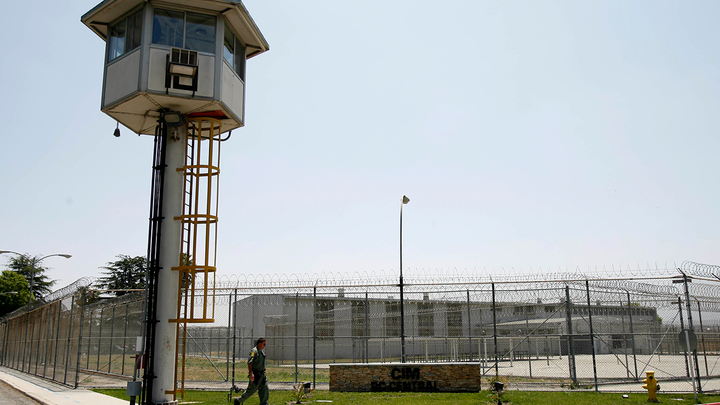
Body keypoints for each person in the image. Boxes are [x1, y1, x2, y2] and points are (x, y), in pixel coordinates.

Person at [234, 338, 268, 405]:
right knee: (251, 390)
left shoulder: (261, 351)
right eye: (264, 344)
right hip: (256, 375)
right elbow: (250, 363)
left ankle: (264, 403)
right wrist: (251, 373)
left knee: (264, 388)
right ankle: (238, 401)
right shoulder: (254, 351)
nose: (265, 346)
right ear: (259, 344)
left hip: (262, 374)